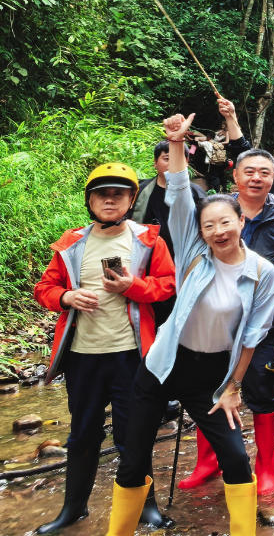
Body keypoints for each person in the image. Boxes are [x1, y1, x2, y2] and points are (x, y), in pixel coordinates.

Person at [105, 113, 274, 536]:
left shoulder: (261, 273)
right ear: (199, 231)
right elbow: (180, 195)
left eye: (226, 222)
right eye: (209, 225)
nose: (219, 231)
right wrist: (177, 143)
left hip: (211, 377)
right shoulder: (192, 254)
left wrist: (234, 386)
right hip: (163, 365)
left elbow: (253, 336)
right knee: (132, 462)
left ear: (242, 221)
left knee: (236, 458)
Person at [177, 98, 274, 497]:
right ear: (235, 174)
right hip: (216, 320)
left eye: (265, 173)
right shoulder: (217, 210)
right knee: (211, 389)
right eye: (249, 171)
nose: (257, 178)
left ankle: (266, 466)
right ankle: (209, 461)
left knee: (263, 391)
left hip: (266, 318)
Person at [34, 163, 175, 535]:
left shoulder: (147, 239)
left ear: (131, 199)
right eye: (102, 194)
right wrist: (66, 295)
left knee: (134, 433)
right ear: (90, 201)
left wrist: (132, 286)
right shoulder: (72, 241)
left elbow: (167, 286)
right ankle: (73, 509)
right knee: (82, 434)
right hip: (82, 357)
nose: (109, 199)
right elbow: (44, 289)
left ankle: (147, 507)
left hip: (130, 355)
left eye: (118, 194)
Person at [131, 140, 206, 326]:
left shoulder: (196, 194)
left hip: (185, 269)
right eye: (166, 158)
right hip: (148, 271)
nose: (172, 164)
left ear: (186, 163)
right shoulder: (140, 192)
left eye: (178, 159)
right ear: (155, 163)